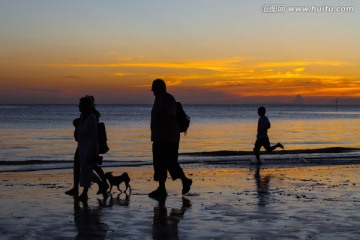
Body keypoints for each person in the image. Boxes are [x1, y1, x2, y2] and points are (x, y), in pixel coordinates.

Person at [148, 79, 192, 198]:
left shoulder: (168, 99)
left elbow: (170, 116)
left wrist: (165, 134)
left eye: (154, 88)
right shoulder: (158, 99)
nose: (153, 91)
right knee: (159, 163)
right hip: (159, 138)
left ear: (159, 88)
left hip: (168, 138)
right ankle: (162, 188)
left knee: (171, 163)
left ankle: (185, 181)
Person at [65, 96, 108, 198]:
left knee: (87, 169)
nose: (78, 106)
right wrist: (76, 125)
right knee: (85, 169)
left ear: (85, 106)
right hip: (82, 146)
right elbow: (78, 135)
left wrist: (94, 151)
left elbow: (93, 136)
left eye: (80, 105)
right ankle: (101, 184)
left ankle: (86, 192)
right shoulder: (83, 117)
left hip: (89, 147)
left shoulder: (92, 118)